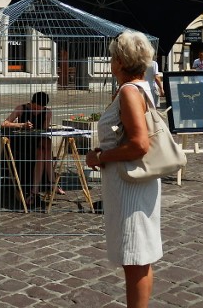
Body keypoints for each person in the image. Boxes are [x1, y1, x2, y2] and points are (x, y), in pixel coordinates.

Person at [85, 31, 162, 308]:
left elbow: (139, 144)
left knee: (135, 258)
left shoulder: (131, 91)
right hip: (137, 181)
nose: (110, 60)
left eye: (112, 56)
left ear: (119, 60)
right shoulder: (139, 87)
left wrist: (100, 156)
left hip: (129, 183)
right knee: (140, 258)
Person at [2, 91, 63, 208]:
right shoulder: (22, 108)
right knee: (44, 146)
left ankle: (34, 192)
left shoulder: (47, 112)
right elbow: (4, 123)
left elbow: (44, 131)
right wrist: (21, 125)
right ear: (32, 102)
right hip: (23, 142)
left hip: (38, 142)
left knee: (45, 144)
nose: (37, 110)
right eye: (36, 107)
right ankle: (52, 182)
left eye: (41, 108)